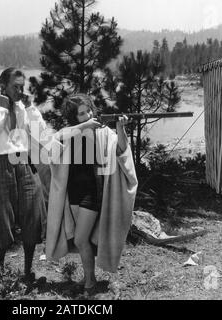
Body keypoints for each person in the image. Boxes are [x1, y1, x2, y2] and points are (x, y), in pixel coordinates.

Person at [46, 93, 138, 293]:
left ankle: (90, 284)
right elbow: (51, 150)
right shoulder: (71, 133)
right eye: (81, 114)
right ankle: (89, 278)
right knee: (83, 241)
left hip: (92, 192)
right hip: (74, 192)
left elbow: (122, 150)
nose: (87, 115)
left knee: (80, 239)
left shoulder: (103, 132)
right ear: (74, 117)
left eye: (88, 111)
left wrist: (120, 128)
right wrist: (81, 128)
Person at [0, 67, 47, 282]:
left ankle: (28, 272)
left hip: (24, 162)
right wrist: (3, 110)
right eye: (15, 87)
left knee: (32, 212)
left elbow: (41, 134)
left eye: (22, 87)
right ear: (3, 86)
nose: (19, 91)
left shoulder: (23, 107)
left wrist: (31, 108)